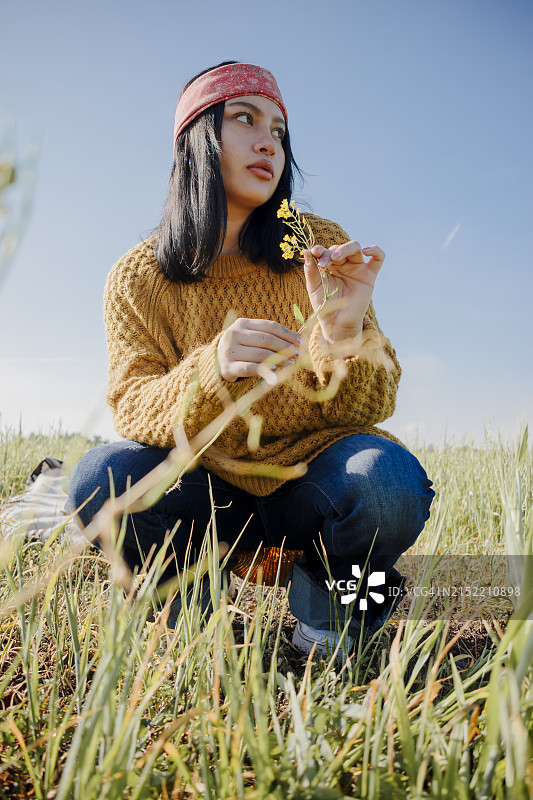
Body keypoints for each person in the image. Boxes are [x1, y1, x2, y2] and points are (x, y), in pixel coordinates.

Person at [68, 61, 435, 657]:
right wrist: (208, 370)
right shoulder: (139, 275)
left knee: (389, 486)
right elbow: (132, 406)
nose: (270, 142)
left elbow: (378, 399)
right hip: (206, 492)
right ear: (197, 141)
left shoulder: (310, 240)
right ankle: (188, 628)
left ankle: (337, 623)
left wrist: (343, 334)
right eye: (245, 119)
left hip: (312, 485)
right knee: (99, 478)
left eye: (280, 131)